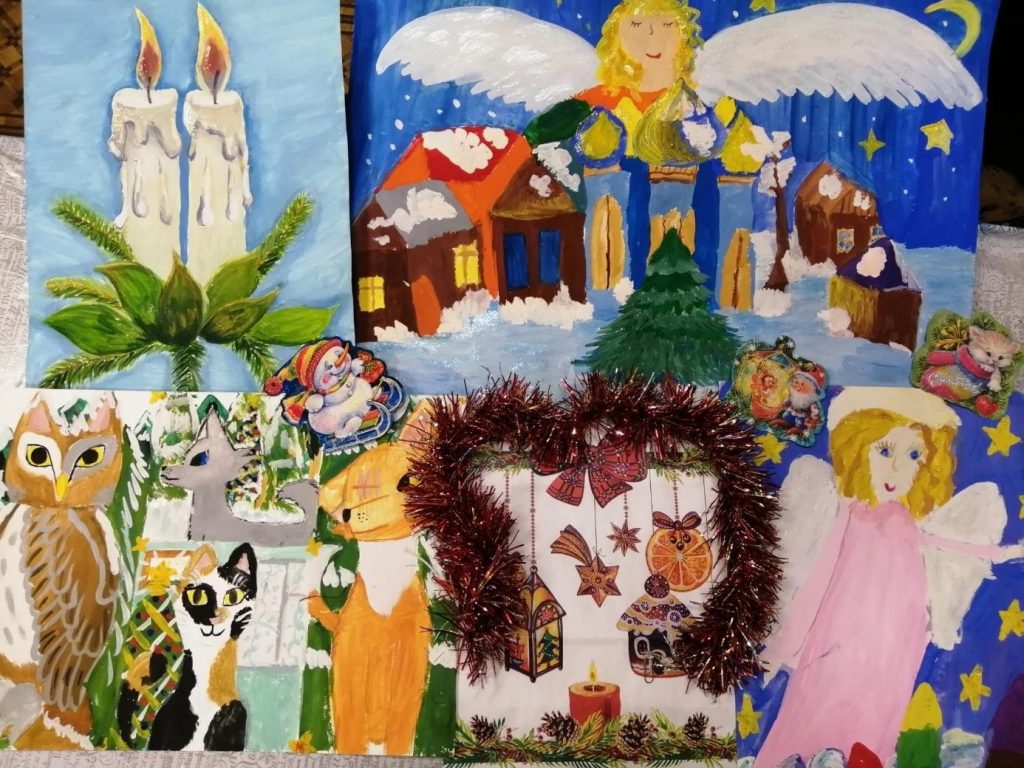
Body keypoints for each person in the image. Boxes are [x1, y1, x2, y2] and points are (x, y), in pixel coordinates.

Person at [755, 388, 1021, 766]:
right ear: (858, 449)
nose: (897, 468)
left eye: (913, 456)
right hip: (841, 643)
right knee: (817, 722)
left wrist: (1008, 552)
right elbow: (816, 580)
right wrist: (786, 643)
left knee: (876, 731)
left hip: (897, 647)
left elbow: (958, 547)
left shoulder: (911, 525)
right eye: (884, 451)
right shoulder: (848, 514)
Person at [525, 0, 760, 289]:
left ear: (684, 37)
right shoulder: (601, 99)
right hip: (620, 210)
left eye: (666, 25)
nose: (653, 37)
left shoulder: (703, 101)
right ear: (616, 39)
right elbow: (537, 133)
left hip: (694, 214)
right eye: (637, 25)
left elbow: (745, 147)